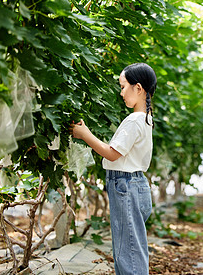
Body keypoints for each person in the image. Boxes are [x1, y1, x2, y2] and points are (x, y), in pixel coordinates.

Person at [70, 62, 157, 275]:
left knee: (128, 252)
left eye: (123, 86)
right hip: (133, 185)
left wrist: (85, 135)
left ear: (138, 88)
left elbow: (112, 152)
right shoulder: (145, 119)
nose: (121, 92)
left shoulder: (135, 120)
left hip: (125, 186)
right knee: (128, 248)